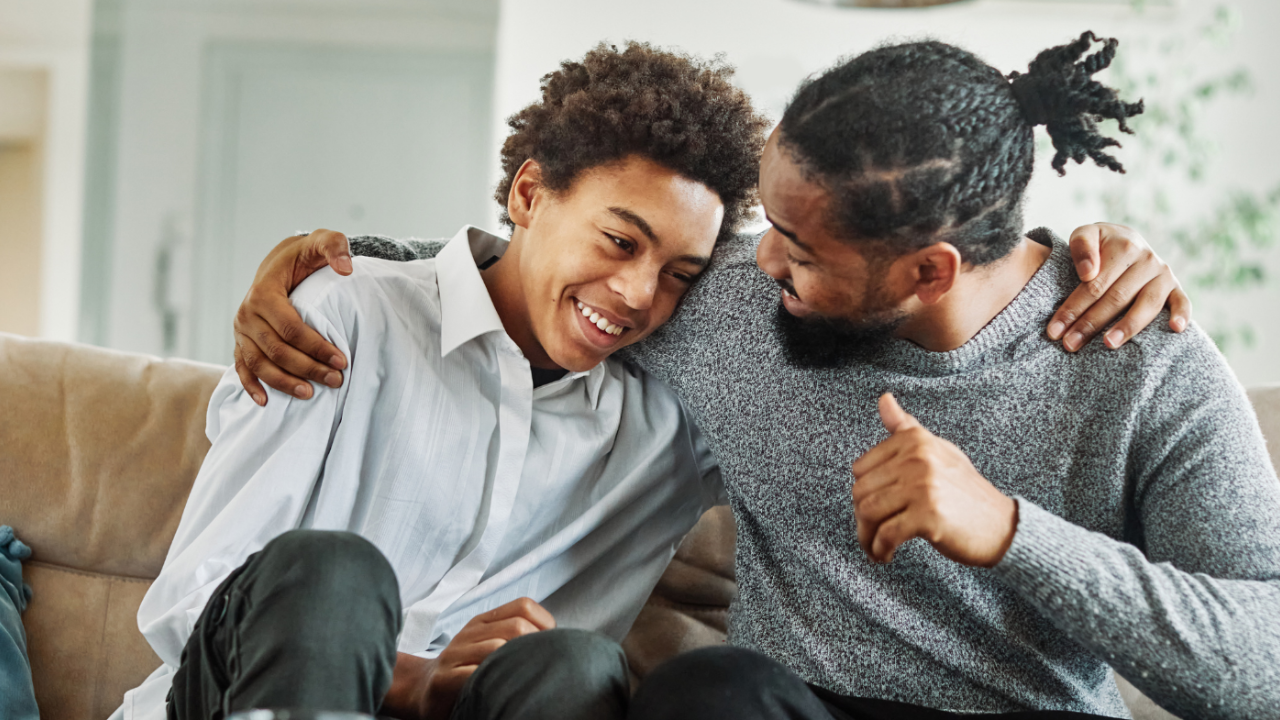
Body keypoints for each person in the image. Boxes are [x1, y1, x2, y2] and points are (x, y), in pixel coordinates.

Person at [238, 33, 1280, 720]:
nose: (756, 264)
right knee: (702, 691)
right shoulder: (733, 301)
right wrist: (324, 264)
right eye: (766, 224)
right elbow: (540, 272)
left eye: (799, 248)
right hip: (783, 705)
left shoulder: (1140, 359)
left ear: (927, 272)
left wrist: (1009, 530)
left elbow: (1264, 666)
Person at [112, 42, 767, 720]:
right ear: (529, 194)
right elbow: (196, 597)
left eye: (679, 275)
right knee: (334, 573)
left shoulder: (679, 423)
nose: (639, 294)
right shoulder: (344, 315)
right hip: (248, 695)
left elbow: (809, 271)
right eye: (620, 242)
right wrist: (411, 680)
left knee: (575, 664)